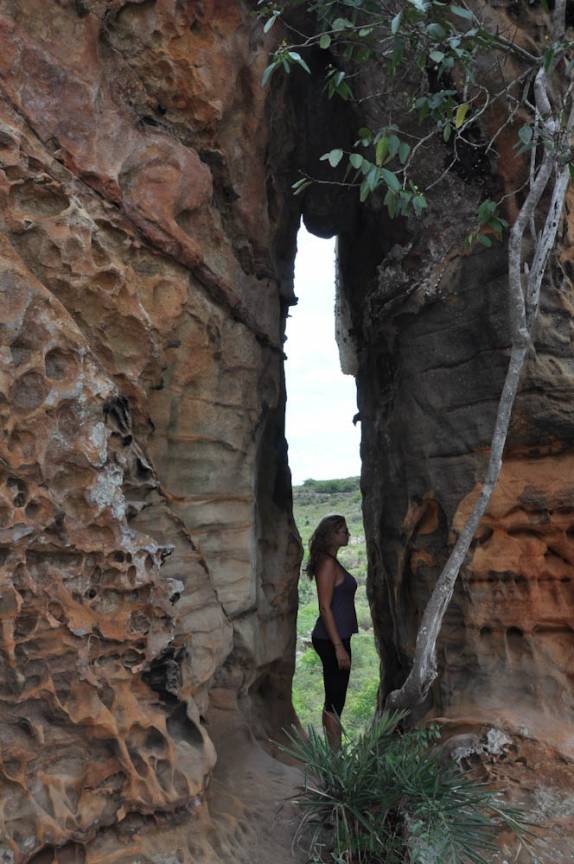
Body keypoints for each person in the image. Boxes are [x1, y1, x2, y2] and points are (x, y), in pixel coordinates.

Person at [306, 514, 358, 749]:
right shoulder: (327, 564)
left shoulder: (332, 562)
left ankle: (334, 756)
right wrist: (338, 647)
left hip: (336, 638)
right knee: (334, 702)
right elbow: (325, 607)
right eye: (342, 531)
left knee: (336, 699)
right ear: (331, 535)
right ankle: (334, 759)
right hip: (330, 640)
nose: (347, 534)